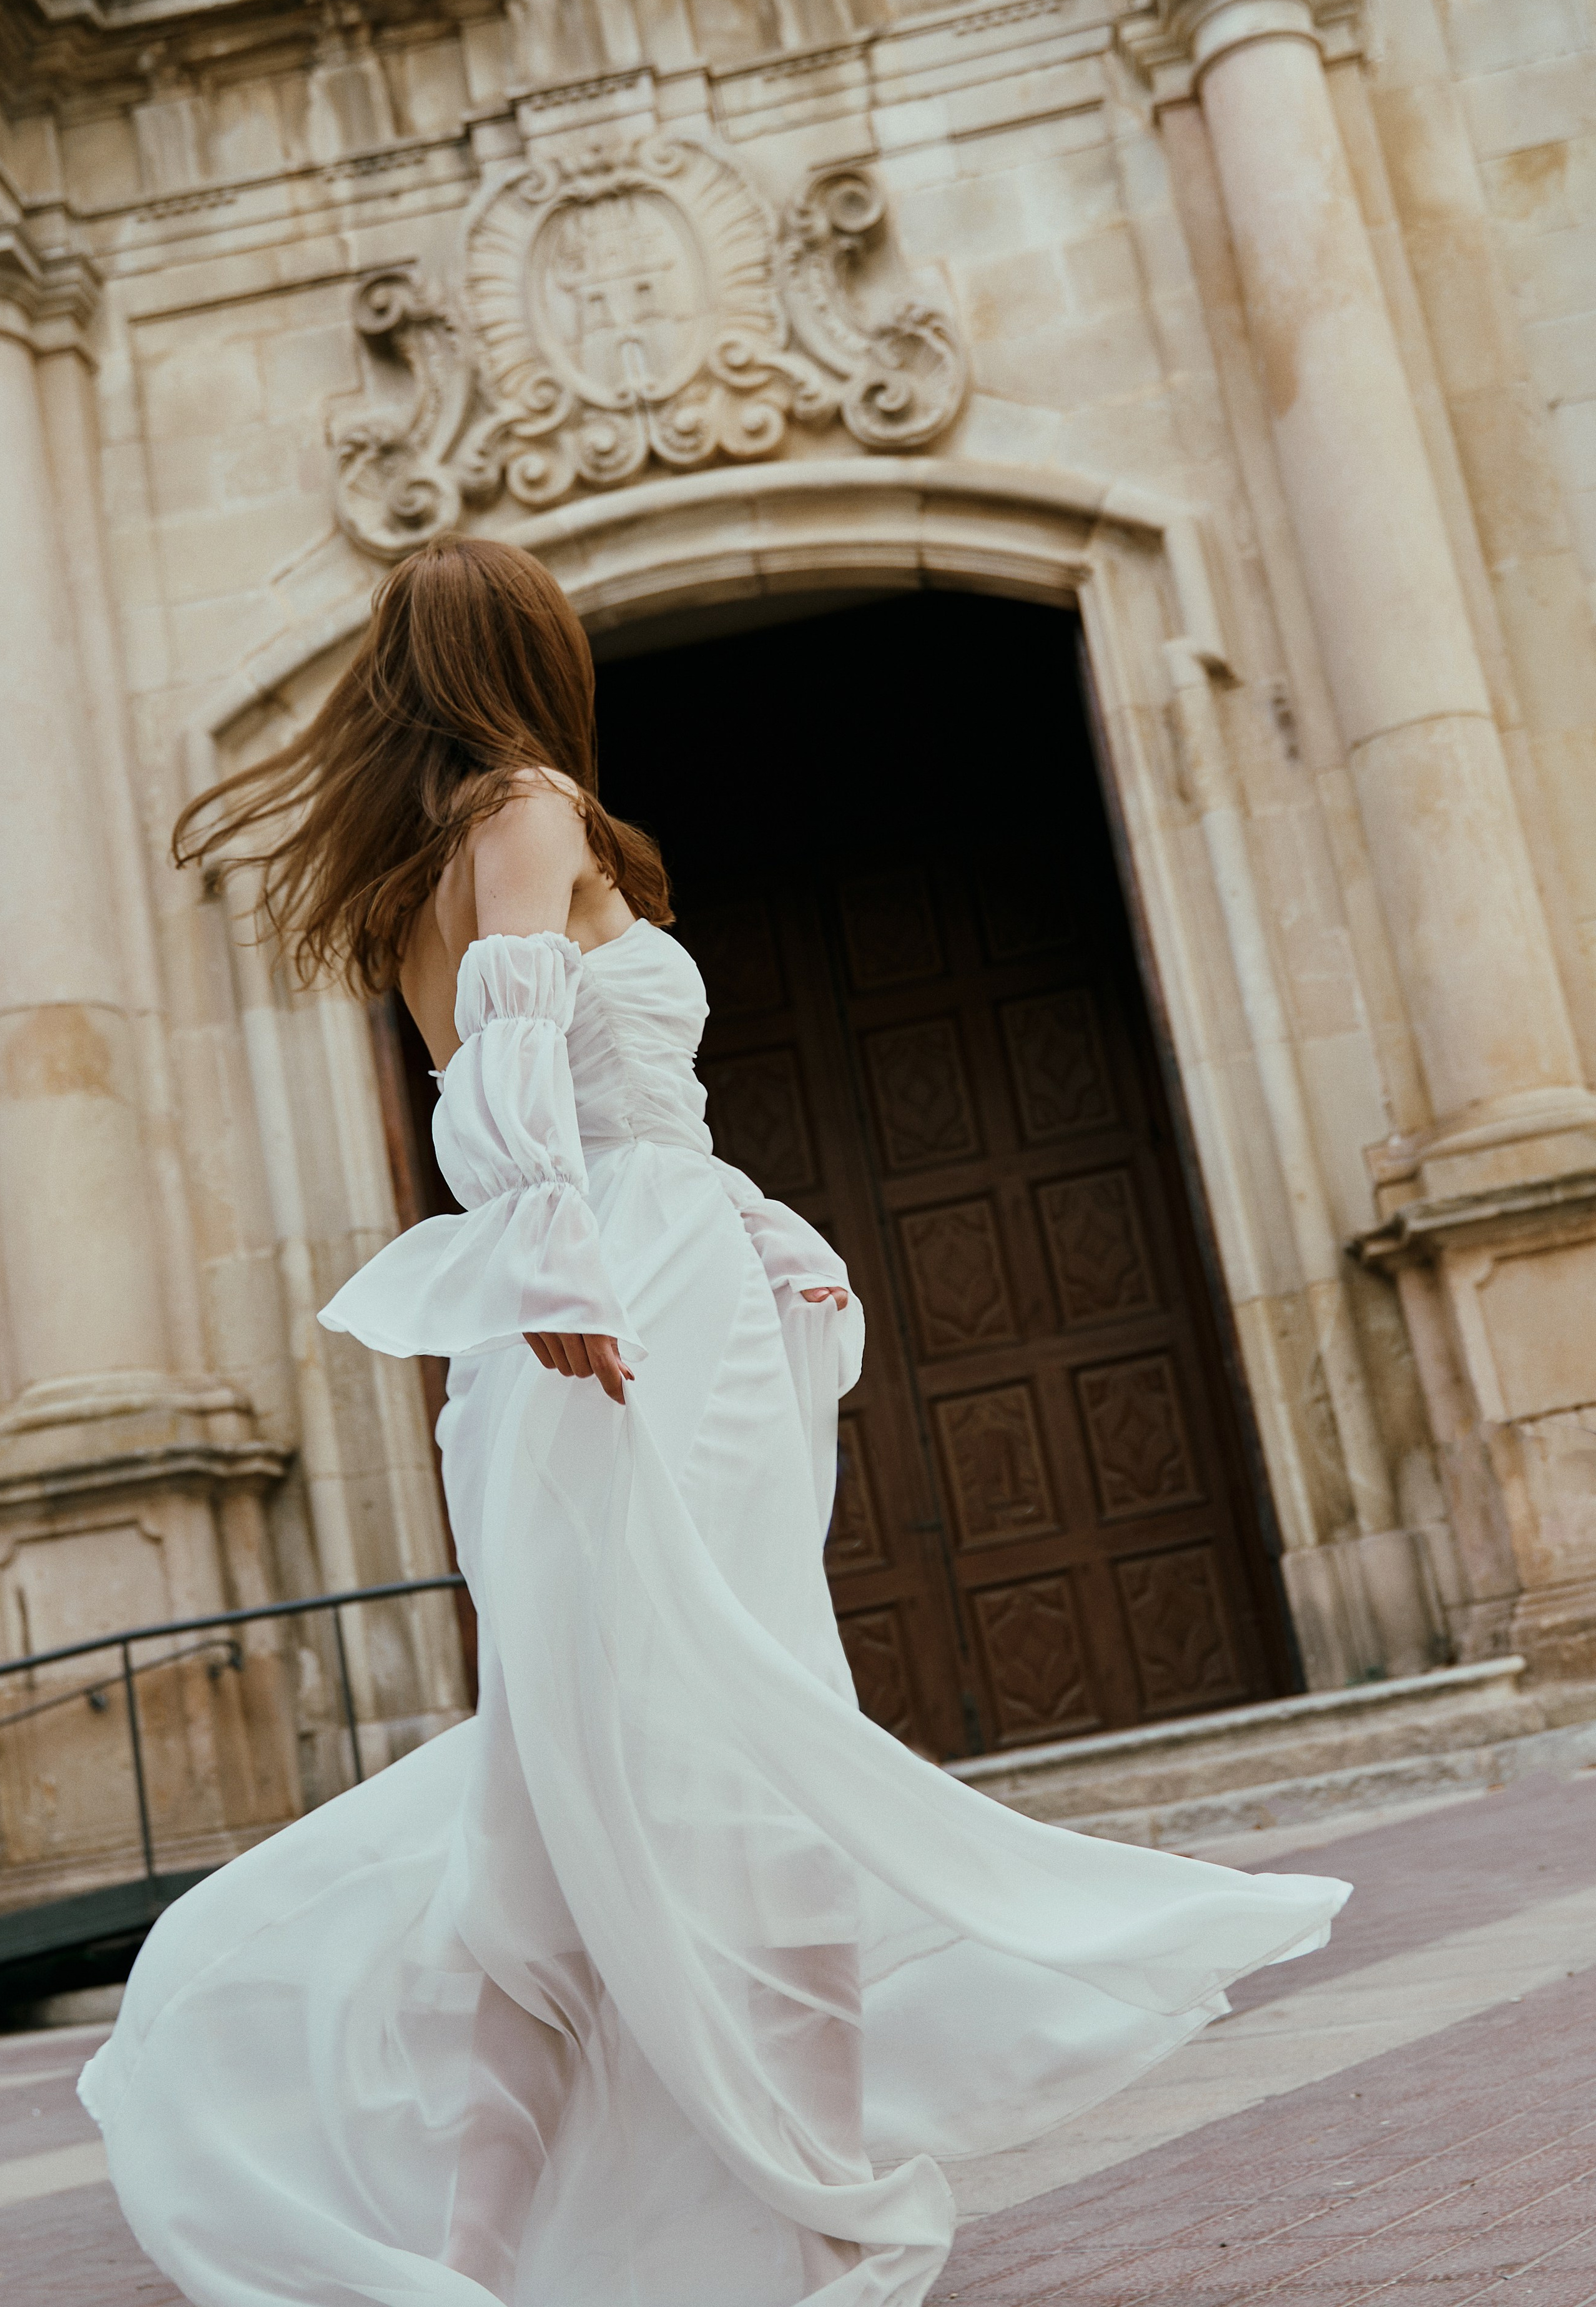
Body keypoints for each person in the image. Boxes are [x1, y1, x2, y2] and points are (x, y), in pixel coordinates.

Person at [80, 535, 1348, 2307]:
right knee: (750, 1734)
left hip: (610, 1295)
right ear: (524, 655)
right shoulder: (527, 808)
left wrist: (731, 1234)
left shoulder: (421, 869)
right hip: (626, 1312)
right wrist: (571, 1259)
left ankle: (475, 2262)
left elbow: (596, 1099)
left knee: (562, 1787)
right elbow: (524, 1071)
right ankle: (830, 2218)